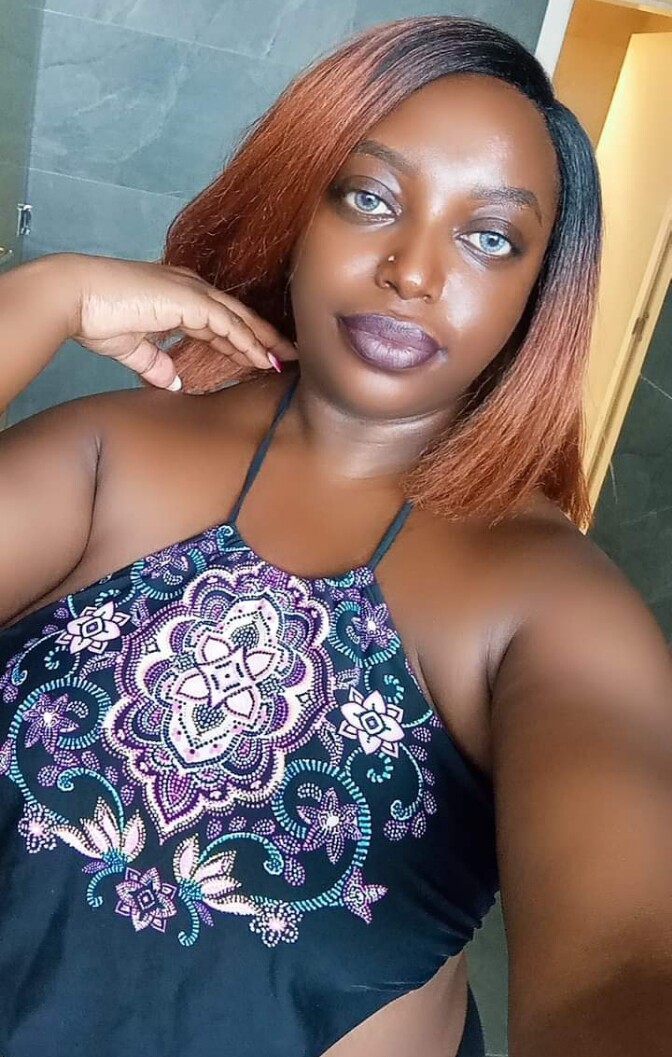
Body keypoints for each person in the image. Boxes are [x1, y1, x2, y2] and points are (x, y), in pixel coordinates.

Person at [0, 14, 670, 1057]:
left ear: (536, 295)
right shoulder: (110, 454)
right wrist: (44, 296)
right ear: (297, 209)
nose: (413, 271)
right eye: (370, 198)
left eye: (490, 237)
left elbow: (630, 959)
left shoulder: (553, 604)